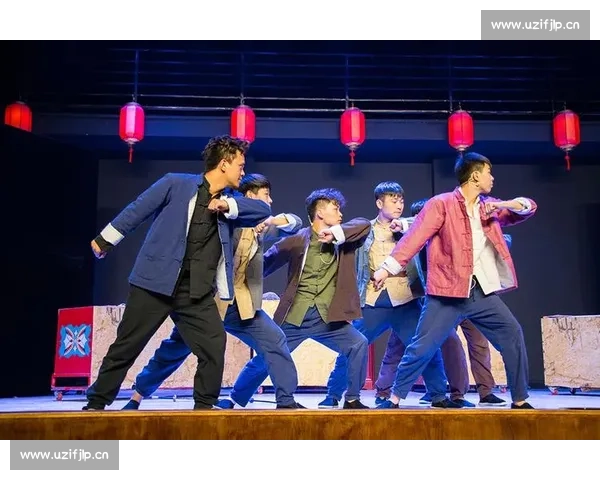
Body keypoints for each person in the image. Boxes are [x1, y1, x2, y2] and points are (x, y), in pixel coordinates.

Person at [83, 135, 271, 411]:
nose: (243, 172)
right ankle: (96, 402)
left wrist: (226, 206)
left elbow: (262, 209)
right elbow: (138, 209)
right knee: (127, 345)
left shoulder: (232, 203)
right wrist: (105, 239)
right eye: (240, 166)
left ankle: (204, 407)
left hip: (195, 291)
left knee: (213, 343)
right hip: (154, 283)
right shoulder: (176, 183)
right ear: (223, 164)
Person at [120, 173, 305, 410]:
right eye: (266, 195)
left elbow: (295, 224)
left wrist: (271, 221)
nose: (270, 201)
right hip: (209, 302)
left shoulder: (261, 227)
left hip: (241, 305)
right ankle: (137, 395)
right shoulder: (224, 221)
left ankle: (285, 400)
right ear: (250, 196)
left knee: (275, 339)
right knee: (175, 349)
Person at [373, 152, 537, 410]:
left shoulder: (488, 206)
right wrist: (386, 269)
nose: (492, 178)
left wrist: (504, 204)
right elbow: (414, 237)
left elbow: (528, 208)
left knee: (512, 333)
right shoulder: (442, 204)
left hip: (479, 293)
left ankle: (519, 398)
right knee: (422, 346)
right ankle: (394, 398)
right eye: (488, 172)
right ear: (475, 176)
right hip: (445, 294)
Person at [225, 188, 372, 409]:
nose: (340, 213)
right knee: (268, 354)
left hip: (327, 318)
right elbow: (265, 263)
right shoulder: (297, 240)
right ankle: (235, 398)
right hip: (296, 316)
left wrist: (336, 234)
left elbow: (364, 225)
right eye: (335, 209)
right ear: (320, 213)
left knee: (358, 343)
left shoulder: (345, 240)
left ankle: (352, 398)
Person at [317, 182, 459, 409]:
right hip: (374, 299)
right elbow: (348, 232)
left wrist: (403, 225)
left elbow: (426, 222)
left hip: (405, 299)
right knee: (353, 346)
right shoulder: (366, 229)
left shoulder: (411, 227)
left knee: (425, 347)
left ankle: (438, 395)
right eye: (393, 200)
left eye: (401, 200)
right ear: (379, 203)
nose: (399, 205)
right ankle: (333, 394)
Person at [374, 198, 509, 408]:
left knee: (477, 344)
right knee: (408, 344)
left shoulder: (451, 234)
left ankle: (478, 392)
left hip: (466, 292)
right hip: (433, 299)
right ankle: (389, 391)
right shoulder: (410, 236)